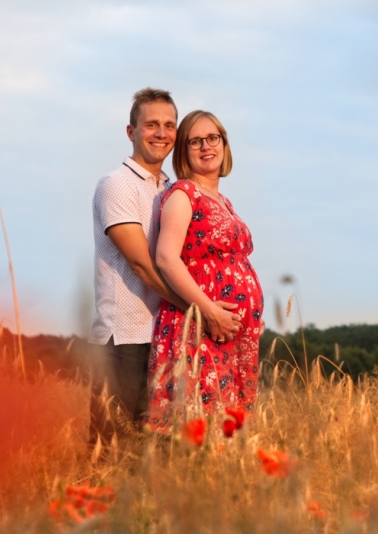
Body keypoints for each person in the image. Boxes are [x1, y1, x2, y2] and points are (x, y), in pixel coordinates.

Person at [88, 90, 241, 450]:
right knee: (111, 447)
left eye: (169, 125)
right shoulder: (117, 185)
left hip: (168, 338)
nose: (161, 133)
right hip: (124, 337)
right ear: (131, 131)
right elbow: (142, 264)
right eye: (151, 125)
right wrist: (202, 311)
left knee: (154, 451)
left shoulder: (172, 190)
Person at [146, 110, 264, 430]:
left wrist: (251, 314)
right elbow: (166, 259)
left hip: (231, 331)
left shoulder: (223, 200)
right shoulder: (184, 194)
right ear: (184, 151)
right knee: (201, 424)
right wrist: (209, 311)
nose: (205, 146)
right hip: (200, 326)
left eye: (213, 138)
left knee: (231, 428)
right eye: (195, 141)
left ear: (224, 144)